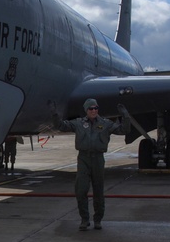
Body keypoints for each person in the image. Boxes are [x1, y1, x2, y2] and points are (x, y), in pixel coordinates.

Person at [54, 99, 130, 231]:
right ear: (86, 110)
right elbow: (61, 126)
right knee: (81, 190)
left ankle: (98, 219)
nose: (94, 110)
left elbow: (123, 130)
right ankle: (84, 219)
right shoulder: (79, 123)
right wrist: (54, 114)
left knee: (98, 191)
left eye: (96, 108)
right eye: (91, 109)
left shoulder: (105, 124)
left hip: (98, 159)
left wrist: (126, 116)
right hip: (83, 158)